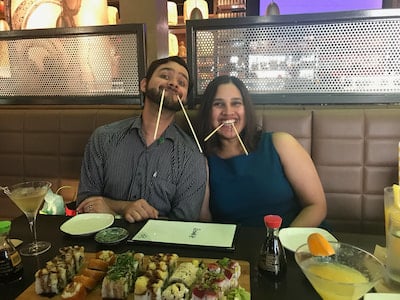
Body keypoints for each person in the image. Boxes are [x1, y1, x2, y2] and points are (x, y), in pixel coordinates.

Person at [76, 56, 209, 223]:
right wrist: (124, 207)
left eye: (182, 83)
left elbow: (183, 225)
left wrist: (110, 208)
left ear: (184, 98)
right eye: (165, 76)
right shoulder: (103, 138)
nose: (174, 84)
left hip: (160, 247)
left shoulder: (191, 156)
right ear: (144, 85)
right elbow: (85, 205)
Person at [196, 75, 327, 227]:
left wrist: (280, 244)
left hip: (297, 241)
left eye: (236, 103)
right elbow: (205, 221)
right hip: (240, 247)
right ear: (207, 111)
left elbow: (316, 206)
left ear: (247, 109)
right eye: (218, 104)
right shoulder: (202, 161)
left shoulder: (281, 143)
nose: (228, 112)